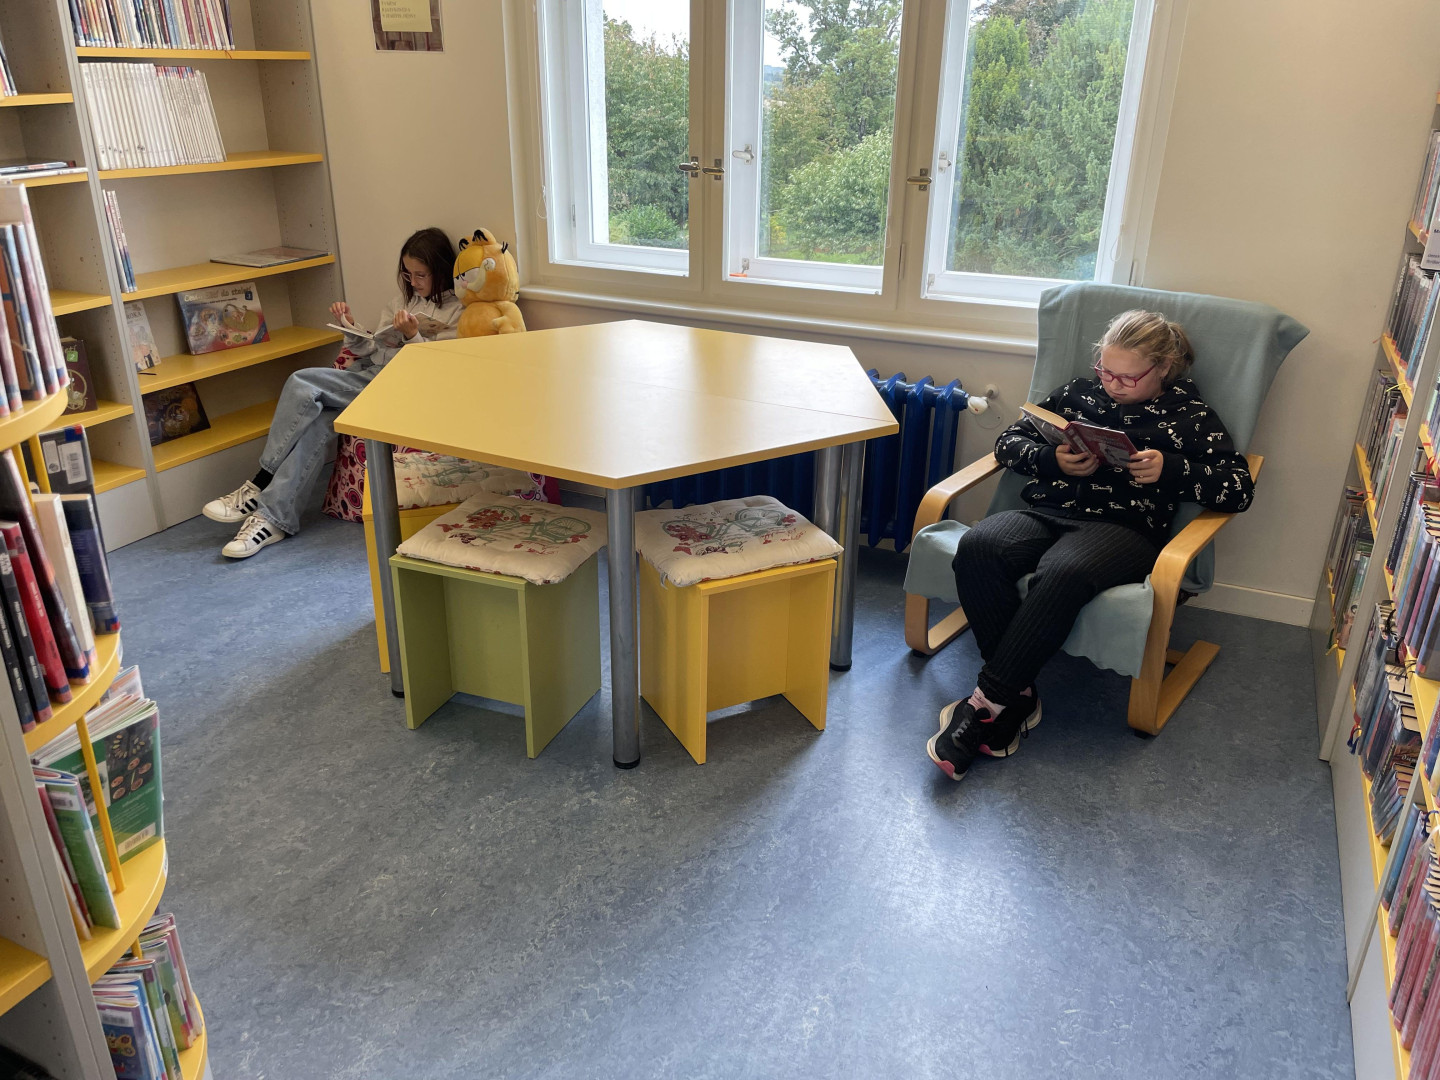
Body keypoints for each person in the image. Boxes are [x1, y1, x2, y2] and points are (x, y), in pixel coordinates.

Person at [927, 309, 1256, 781]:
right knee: (979, 546)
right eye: (1106, 371)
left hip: (1124, 529)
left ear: (1163, 367)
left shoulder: (1191, 416)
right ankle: (1016, 696)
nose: (1113, 385)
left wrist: (1171, 470)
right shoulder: (1078, 393)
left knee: (1064, 573)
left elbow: (1239, 489)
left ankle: (985, 704)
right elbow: (1008, 442)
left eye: (1128, 377)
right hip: (1047, 511)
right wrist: (1052, 459)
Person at [202, 227, 463, 559]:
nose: (413, 282)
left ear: (441, 270)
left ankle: (260, 481)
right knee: (317, 423)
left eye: (421, 275)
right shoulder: (400, 302)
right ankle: (273, 520)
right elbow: (372, 350)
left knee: (301, 381)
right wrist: (350, 328)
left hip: (405, 387)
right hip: (373, 376)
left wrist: (413, 336)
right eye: (407, 274)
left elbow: (439, 370)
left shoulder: (457, 311)